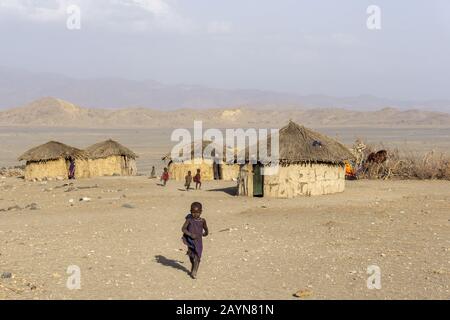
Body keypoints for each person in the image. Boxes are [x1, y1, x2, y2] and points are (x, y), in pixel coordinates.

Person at [181, 202, 208, 279]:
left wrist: (206, 233)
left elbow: (206, 229)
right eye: (193, 212)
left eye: (197, 213)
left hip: (198, 242)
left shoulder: (202, 221)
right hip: (190, 241)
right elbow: (183, 229)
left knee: (198, 257)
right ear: (190, 211)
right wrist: (190, 234)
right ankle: (193, 266)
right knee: (191, 257)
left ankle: (194, 272)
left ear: (201, 212)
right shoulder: (189, 220)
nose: (195, 214)